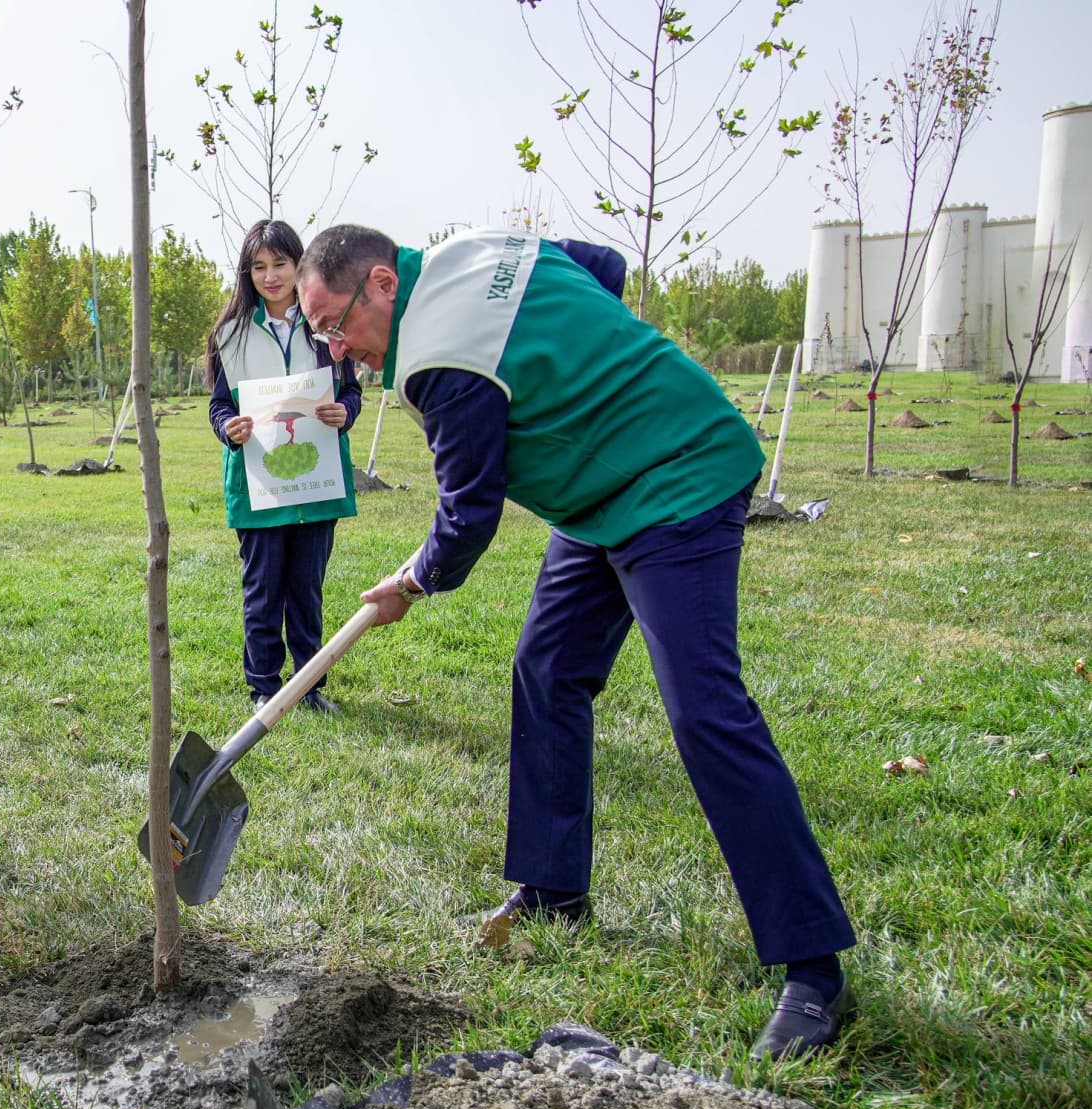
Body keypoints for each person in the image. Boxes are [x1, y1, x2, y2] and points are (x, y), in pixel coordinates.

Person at [295, 223, 856, 1060]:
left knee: (705, 709)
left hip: (679, 473)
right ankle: (553, 889)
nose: (341, 350)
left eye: (338, 326)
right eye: (322, 336)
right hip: (600, 501)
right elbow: (602, 265)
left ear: (381, 282)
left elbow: (468, 515)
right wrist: (587, 376)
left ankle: (815, 968)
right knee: (547, 668)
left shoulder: (436, 363)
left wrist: (410, 583)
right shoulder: (479, 246)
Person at [208, 219, 362, 713]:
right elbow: (218, 406)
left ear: (299, 266)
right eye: (259, 266)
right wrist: (228, 427)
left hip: (317, 482)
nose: (270, 276)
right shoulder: (229, 335)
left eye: (280, 264)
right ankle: (264, 688)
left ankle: (309, 685)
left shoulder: (327, 327)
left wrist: (347, 413)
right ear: (246, 272)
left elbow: (351, 390)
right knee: (263, 589)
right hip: (259, 484)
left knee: (306, 589)